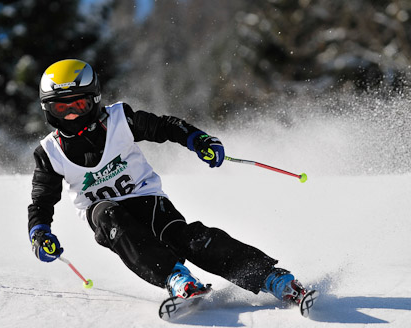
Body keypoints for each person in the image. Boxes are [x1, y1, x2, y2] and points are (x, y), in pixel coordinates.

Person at [28, 58, 308, 304]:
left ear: (95, 100)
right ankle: (176, 279)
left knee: (186, 239)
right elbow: (41, 201)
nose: (72, 115)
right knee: (110, 215)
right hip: (103, 212)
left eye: (78, 104)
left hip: (147, 200)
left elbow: (164, 126)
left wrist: (197, 139)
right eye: (62, 109)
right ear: (48, 111)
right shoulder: (49, 153)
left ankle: (272, 278)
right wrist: (39, 233)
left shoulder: (119, 120)